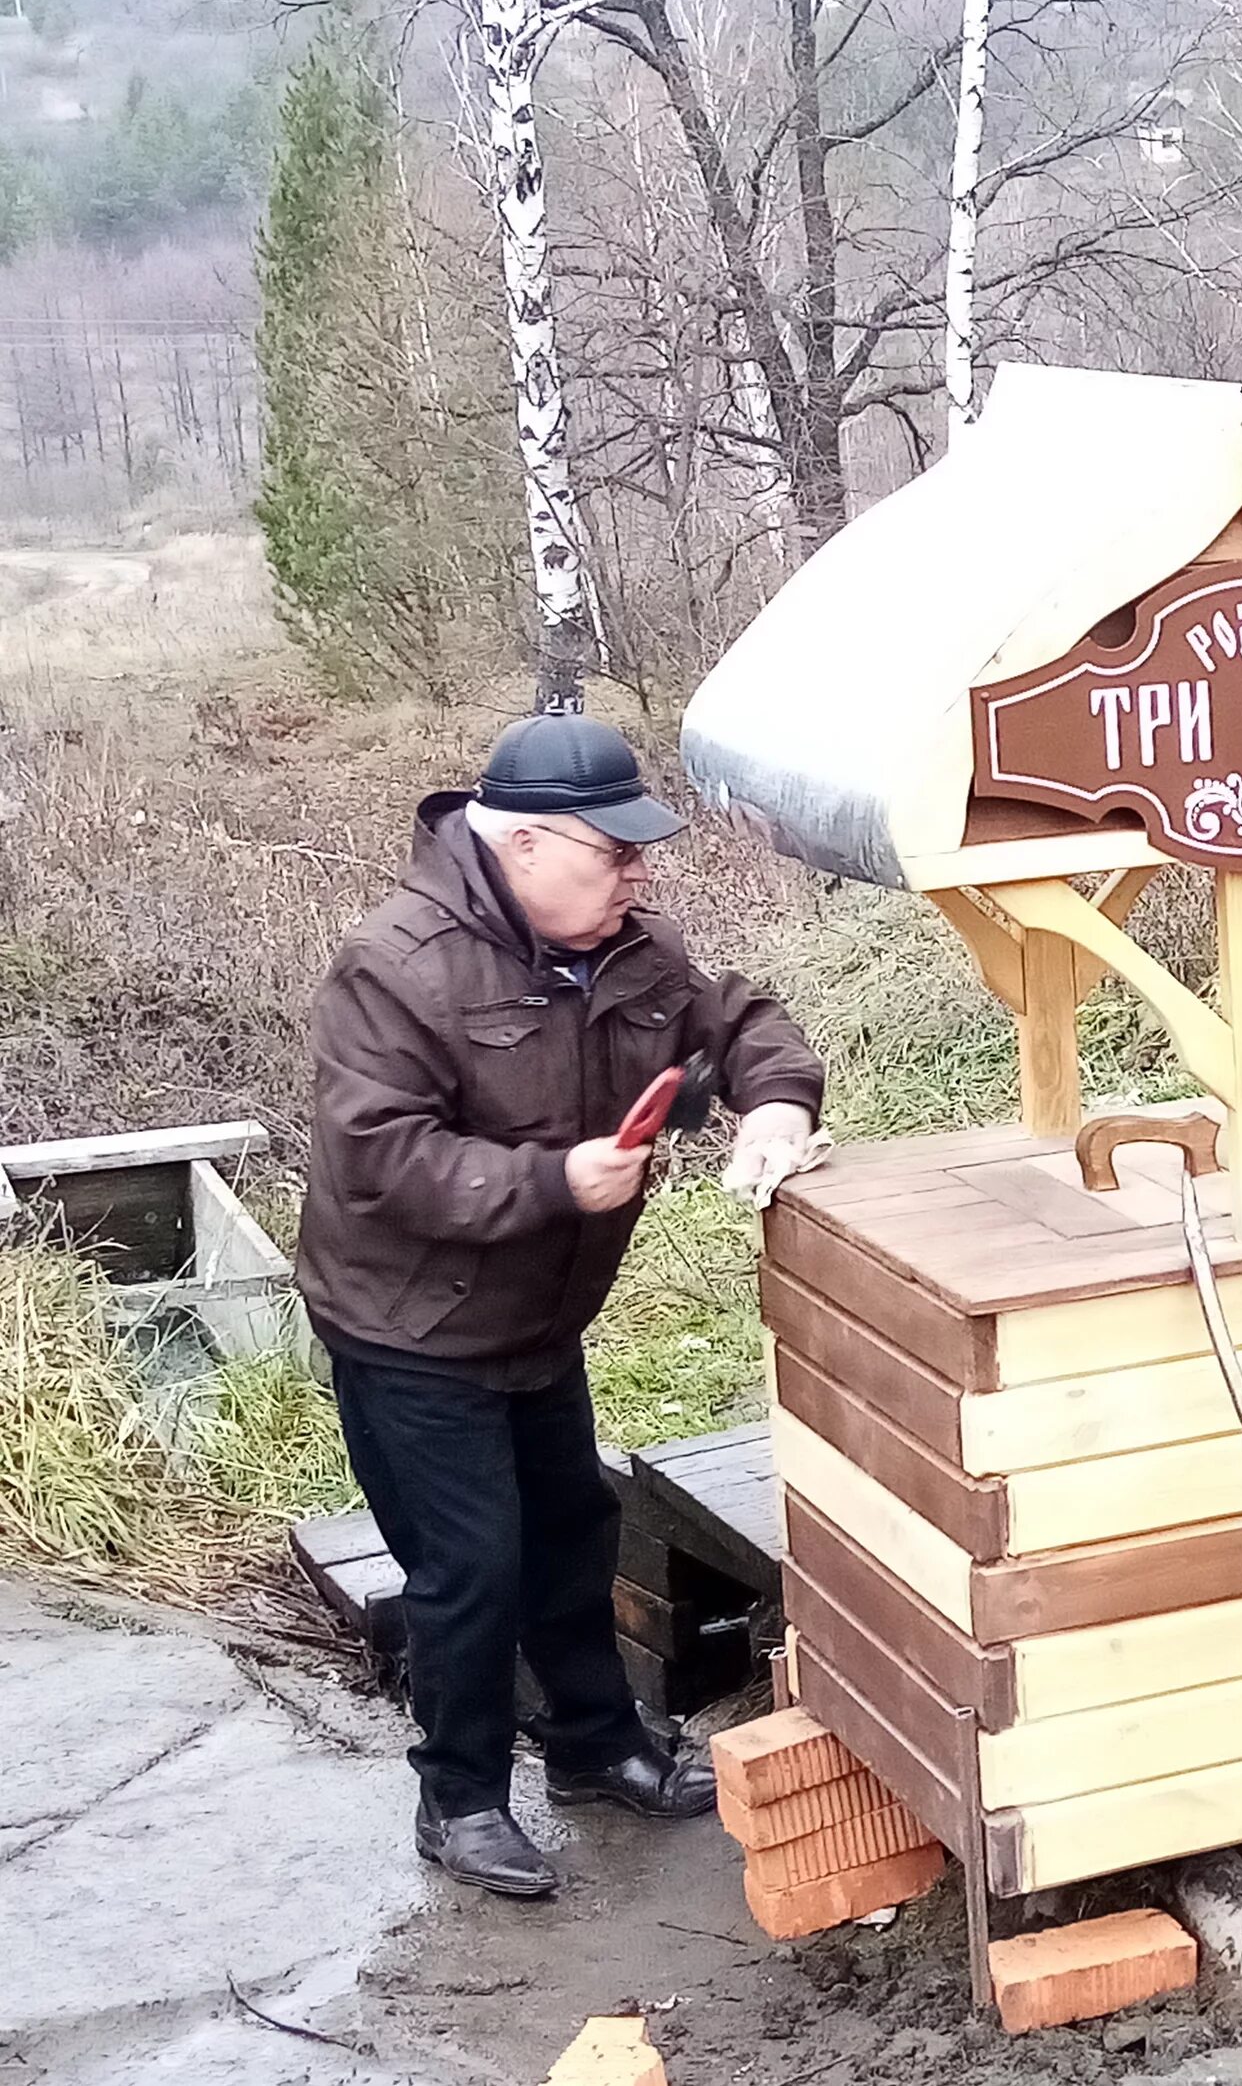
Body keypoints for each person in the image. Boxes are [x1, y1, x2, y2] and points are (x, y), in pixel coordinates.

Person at [296, 712, 829, 1899]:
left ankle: (597, 1750)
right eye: (614, 852)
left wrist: (779, 1100)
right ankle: (464, 1798)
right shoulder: (398, 963)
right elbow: (379, 1156)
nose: (637, 874)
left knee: (574, 1532)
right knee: (469, 1568)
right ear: (527, 846)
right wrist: (556, 1181)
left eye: (640, 853)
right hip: (410, 1328)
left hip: (541, 1315)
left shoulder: (627, 945)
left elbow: (740, 1021)